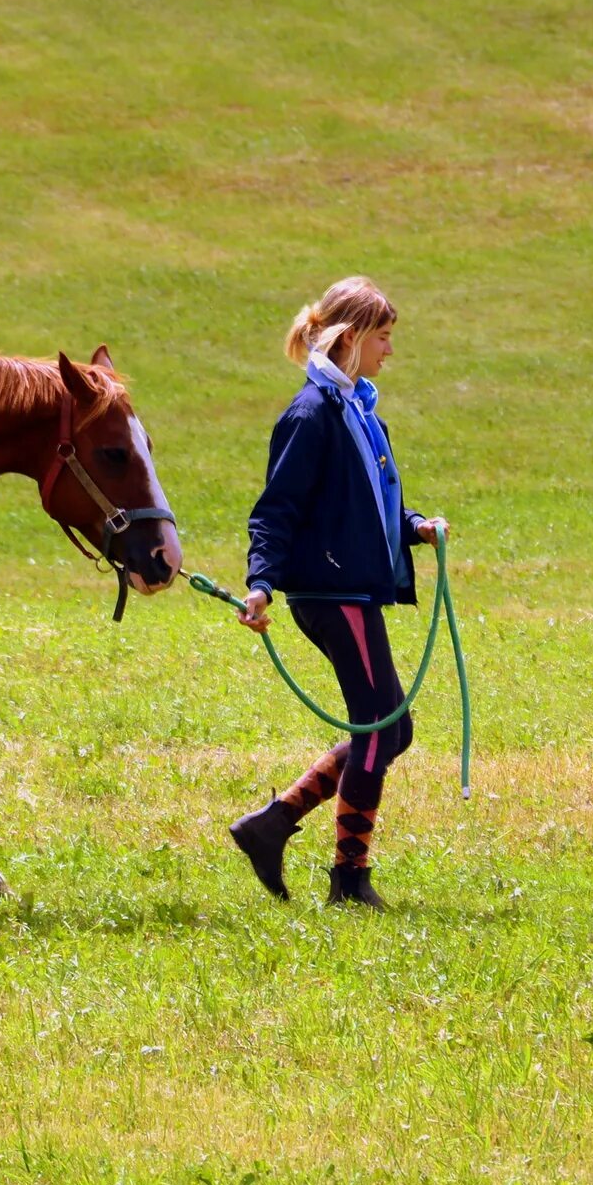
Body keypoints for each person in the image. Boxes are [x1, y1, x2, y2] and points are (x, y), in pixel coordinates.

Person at [227, 276, 449, 909]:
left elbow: (366, 506)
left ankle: (270, 826)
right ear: (351, 339)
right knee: (384, 728)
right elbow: (276, 508)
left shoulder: (355, 409)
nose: (389, 351)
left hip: (353, 589)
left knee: (390, 729)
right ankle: (348, 881)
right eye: (382, 338)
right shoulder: (311, 414)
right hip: (331, 595)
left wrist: (414, 528)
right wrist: (261, 583)